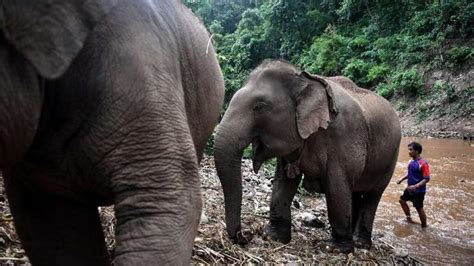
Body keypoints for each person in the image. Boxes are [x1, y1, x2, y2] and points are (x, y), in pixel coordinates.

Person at [397, 142, 430, 228]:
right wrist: (401, 179)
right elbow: (410, 174)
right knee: (402, 201)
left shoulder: (423, 163)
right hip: (409, 188)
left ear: (417, 151)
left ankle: (424, 227)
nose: (409, 152)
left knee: (419, 208)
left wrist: (416, 186)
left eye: (411, 150)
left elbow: (427, 178)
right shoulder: (411, 161)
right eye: (409, 150)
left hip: (419, 191)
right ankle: (409, 218)